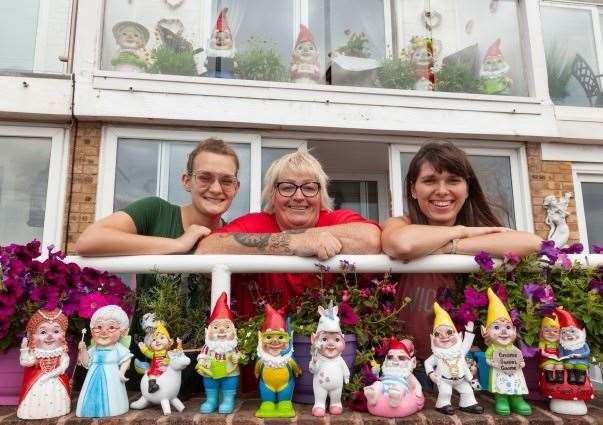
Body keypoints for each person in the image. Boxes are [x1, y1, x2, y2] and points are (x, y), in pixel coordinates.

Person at [381, 142, 541, 360]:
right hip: (409, 369)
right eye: (429, 181)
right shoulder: (401, 224)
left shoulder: (484, 229)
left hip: (477, 369)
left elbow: (534, 243)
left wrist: (451, 246)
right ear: (413, 189)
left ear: (467, 188)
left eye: (453, 180)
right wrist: (461, 231)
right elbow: (401, 244)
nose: (442, 190)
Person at [196, 150, 381, 317]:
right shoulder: (255, 222)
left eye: (309, 188)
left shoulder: (336, 220)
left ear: (321, 194)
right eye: (287, 187)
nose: (299, 196)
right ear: (273, 194)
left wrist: (312, 236)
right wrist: (293, 241)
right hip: (262, 345)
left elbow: (371, 239)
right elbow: (207, 248)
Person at [75, 138, 240, 257]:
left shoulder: (235, 234)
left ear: (236, 188)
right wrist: (179, 244)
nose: (216, 189)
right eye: (205, 177)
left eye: (226, 181)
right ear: (187, 181)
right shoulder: (155, 211)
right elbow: (88, 241)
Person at [76, 305, 133, 418]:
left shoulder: (117, 348)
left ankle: (113, 409)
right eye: (99, 327)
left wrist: (121, 372)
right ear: (92, 330)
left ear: (122, 331)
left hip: (112, 376)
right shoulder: (94, 349)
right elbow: (86, 363)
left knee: (112, 396)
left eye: (111, 327)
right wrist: (82, 350)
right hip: (92, 377)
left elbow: (127, 358)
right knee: (90, 395)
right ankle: (89, 409)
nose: (103, 332)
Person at [17, 309, 71, 420]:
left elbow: (63, 366)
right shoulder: (36, 353)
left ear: (63, 334)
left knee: (58, 400)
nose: (50, 336)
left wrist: (51, 374)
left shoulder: (61, 352)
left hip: (56, 380)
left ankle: (59, 408)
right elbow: (26, 362)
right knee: (35, 399)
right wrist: (24, 349)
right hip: (37, 382)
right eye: (43, 332)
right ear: (33, 336)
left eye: (56, 331)